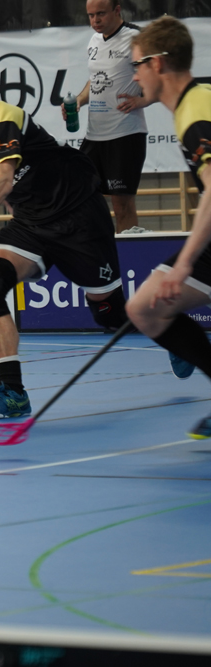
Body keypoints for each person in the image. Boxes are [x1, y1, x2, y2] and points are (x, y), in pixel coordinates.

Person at [0, 53, 131, 419]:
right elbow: (2, 185)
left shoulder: (0, 117)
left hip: (77, 215)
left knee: (109, 314)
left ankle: (170, 331)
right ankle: (13, 393)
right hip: (31, 222)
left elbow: (4, 178)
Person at [125, 17, 211, 436]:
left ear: (157, 64)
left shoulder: (195, 114)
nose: (135, 75)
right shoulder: (194, 104)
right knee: (145, 308)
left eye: (137, 65)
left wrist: (185, 262)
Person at [63, 0, 152, 233]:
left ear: (117, 10)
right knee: (81, 196)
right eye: (91, 15)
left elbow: (159, 76)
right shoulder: (94, 40)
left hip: (125, 134)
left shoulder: (136, 38)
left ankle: (127, 252)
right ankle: (98, 251)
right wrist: (79, 101)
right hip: (95, 135)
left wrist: (143, 100)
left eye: (101, 14)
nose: (95, 21)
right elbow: (96, 80)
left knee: (121, 205)